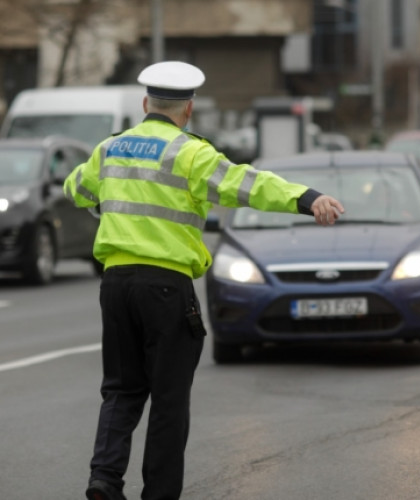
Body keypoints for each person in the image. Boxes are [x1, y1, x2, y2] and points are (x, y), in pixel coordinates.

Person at [64, 60, 344, 500]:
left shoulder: (110, 148)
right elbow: (246, 184)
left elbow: (76, 189)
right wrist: (306, 199)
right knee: (169, 400)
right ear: (188, 109)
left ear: (145, 104)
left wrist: (106, 202)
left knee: (120, 389)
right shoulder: (190, 153)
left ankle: (104, 479)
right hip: (165, 286)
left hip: (115, 285)